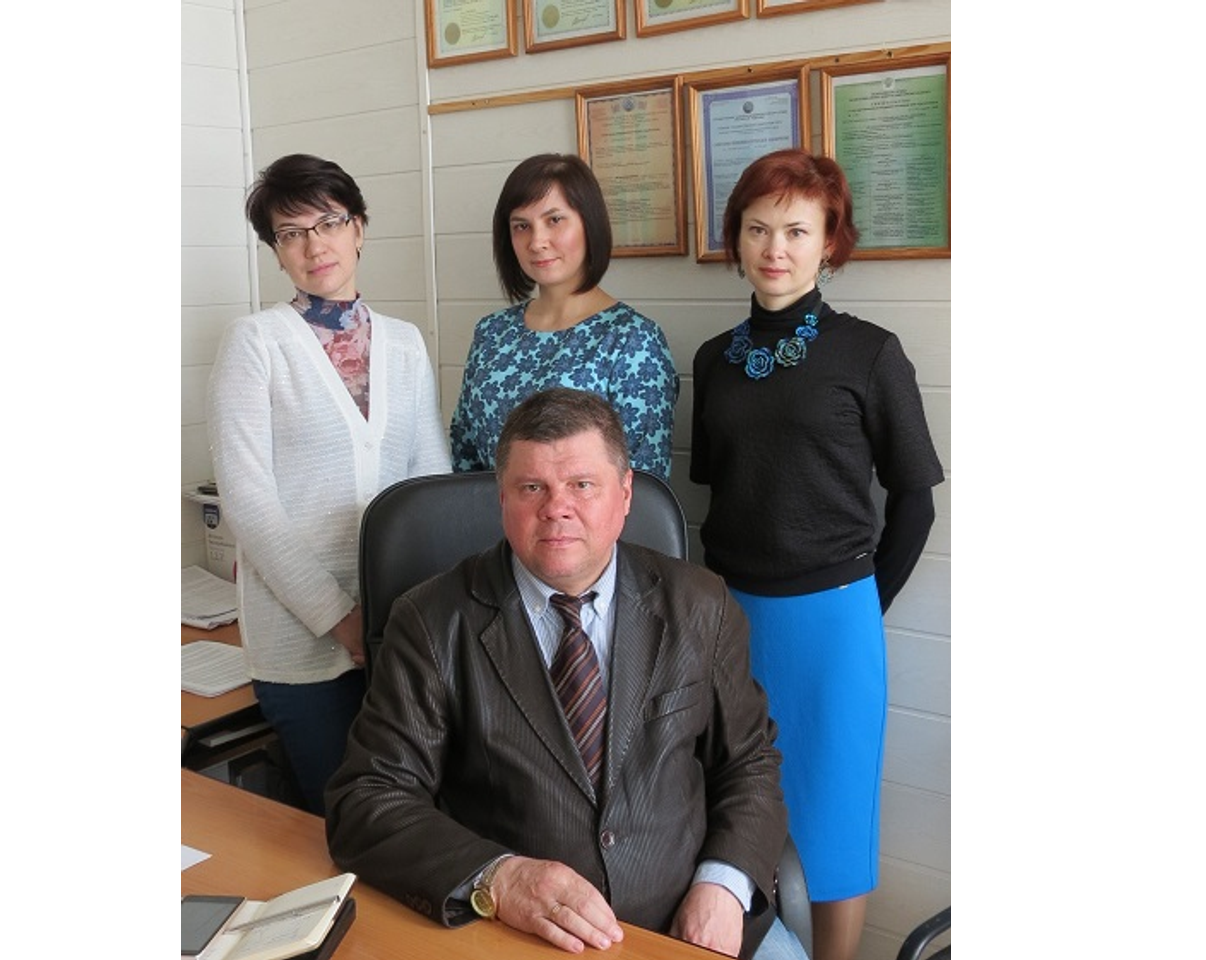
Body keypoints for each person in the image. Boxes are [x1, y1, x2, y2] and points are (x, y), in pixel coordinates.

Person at [326, 387, 806, 960]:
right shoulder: (432, 621)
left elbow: (749, 761)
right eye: (532, 488)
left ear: (624, 495)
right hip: (520, 933)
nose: (557, 508)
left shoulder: (701, 604)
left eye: (582, 485)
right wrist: (501, 878)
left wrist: (724, 884)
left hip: (692, 920)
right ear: (502, 498)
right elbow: (368, 800)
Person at [689, 149, 944, 960]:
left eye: (797, 230)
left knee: (832, 825)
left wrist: (861, 605)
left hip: (835, 624)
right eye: (757, 228)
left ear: (830, 242)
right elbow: (716, 493)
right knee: (735, 807)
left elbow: (915, 501)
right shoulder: (713, 360)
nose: (776, 248)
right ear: (736, 239)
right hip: (731, 619)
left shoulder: (870, 352)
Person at [206, 153, 451, 816]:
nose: (314, 246)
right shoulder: (255, 343)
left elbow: (430, 483)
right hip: (303, 647)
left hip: (404, 635)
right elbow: (248, 502)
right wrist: (342, 619)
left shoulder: (404, 343)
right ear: (275, 250)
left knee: (417, 819)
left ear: (359, 228)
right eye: (291, 233)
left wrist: (420, 618)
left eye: (329, 223)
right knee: (345, 821)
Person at [449, 153, 678, 481]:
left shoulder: (633, 340)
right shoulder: (491, 332)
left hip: (581, 517)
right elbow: (464, 455)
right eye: (522, 226)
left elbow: (644, 484)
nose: (537, 242)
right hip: (486, 512)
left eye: (554, 220)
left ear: (589, 224)